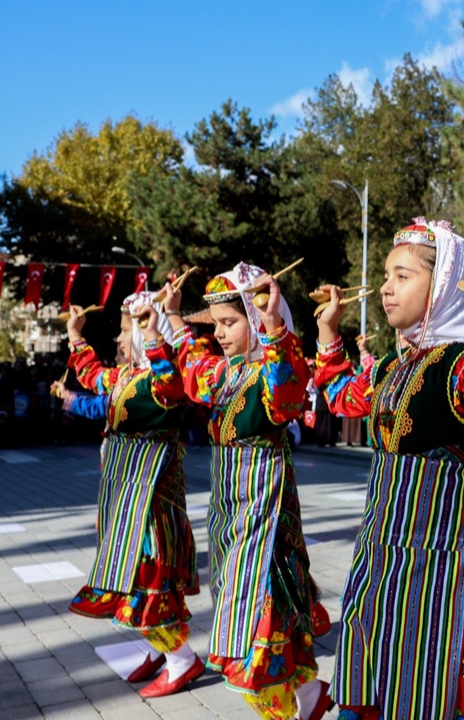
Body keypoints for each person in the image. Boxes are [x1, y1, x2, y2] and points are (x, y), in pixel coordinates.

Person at [315, 218, 464, 720]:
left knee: (430, 682)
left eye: (402, 275)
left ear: (441, 283)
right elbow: (340, 397)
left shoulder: (461, 363)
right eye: (386, 275)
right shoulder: (388, 368)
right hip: (380, 558)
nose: (384, 286)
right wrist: (328, 331)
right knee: (369, 676)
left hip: (439, 564)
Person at [163, 265, 330, 720]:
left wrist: (275, 326)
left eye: (228, 322)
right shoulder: (226, 373)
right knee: (261, 615)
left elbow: (289, 393)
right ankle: (313, 699)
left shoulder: (272, 370)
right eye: (215, 323)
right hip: (229, 514)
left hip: (264, 510)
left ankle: (284, 709)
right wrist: (175, 317)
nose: (217, 333)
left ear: (256, 320)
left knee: (251, 632)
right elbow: (192, 366)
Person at [63, 295, 202, 698]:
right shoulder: (126, 378)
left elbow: (173, 380)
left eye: (127, 331)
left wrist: (155, 332)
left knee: (148, 574)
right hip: (127, 499)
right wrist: (75, 336)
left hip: (151, 505)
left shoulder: (162, 383)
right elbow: (91, 375)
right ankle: (159, 649)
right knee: (130, 574)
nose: (120, 341)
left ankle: (181, 659)